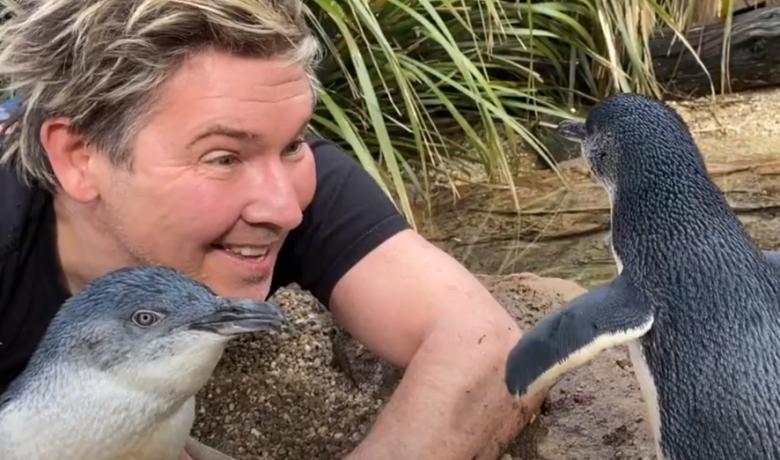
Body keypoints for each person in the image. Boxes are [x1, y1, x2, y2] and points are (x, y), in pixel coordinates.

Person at [0, 1, 544, 459]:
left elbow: (486, 347)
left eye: (293, 143)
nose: (285, 209)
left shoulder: (287, 176)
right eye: (223, 157)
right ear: (80, 157)